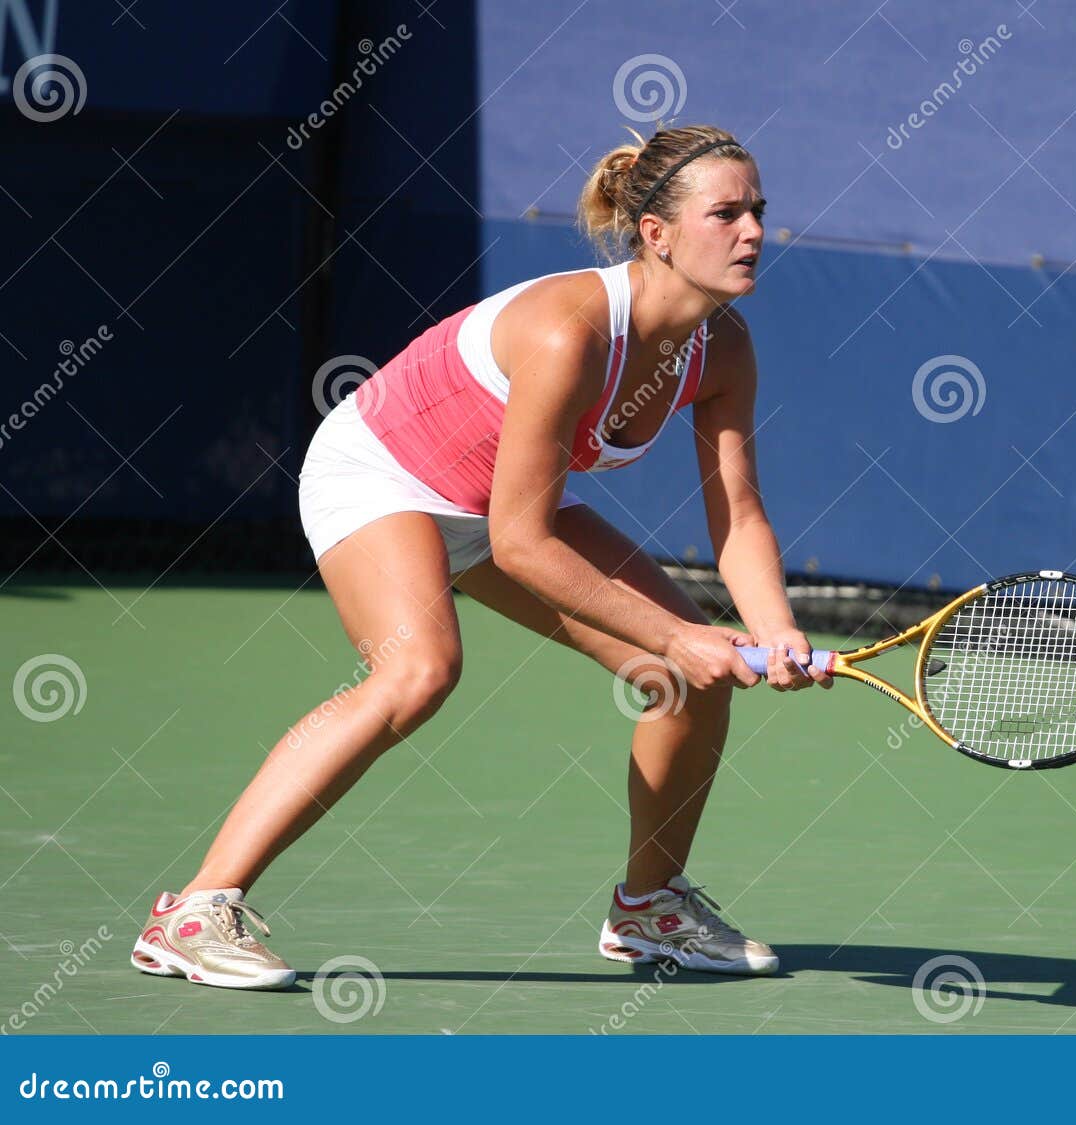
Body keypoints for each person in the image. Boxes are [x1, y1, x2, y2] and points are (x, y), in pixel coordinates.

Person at [130, 124, 830, 990]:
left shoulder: (723, 349)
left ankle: (649, 906)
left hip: (496, 500)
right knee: (419, 670)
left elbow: (739, 512)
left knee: (689, 682)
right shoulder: (569, 332)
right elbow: (521, 544)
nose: (755, 230)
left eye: (758, 209)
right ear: (656, 232)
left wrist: (773, 626)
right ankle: (195, 912)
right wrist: (679, 634)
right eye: (726, 213)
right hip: (383, 474)